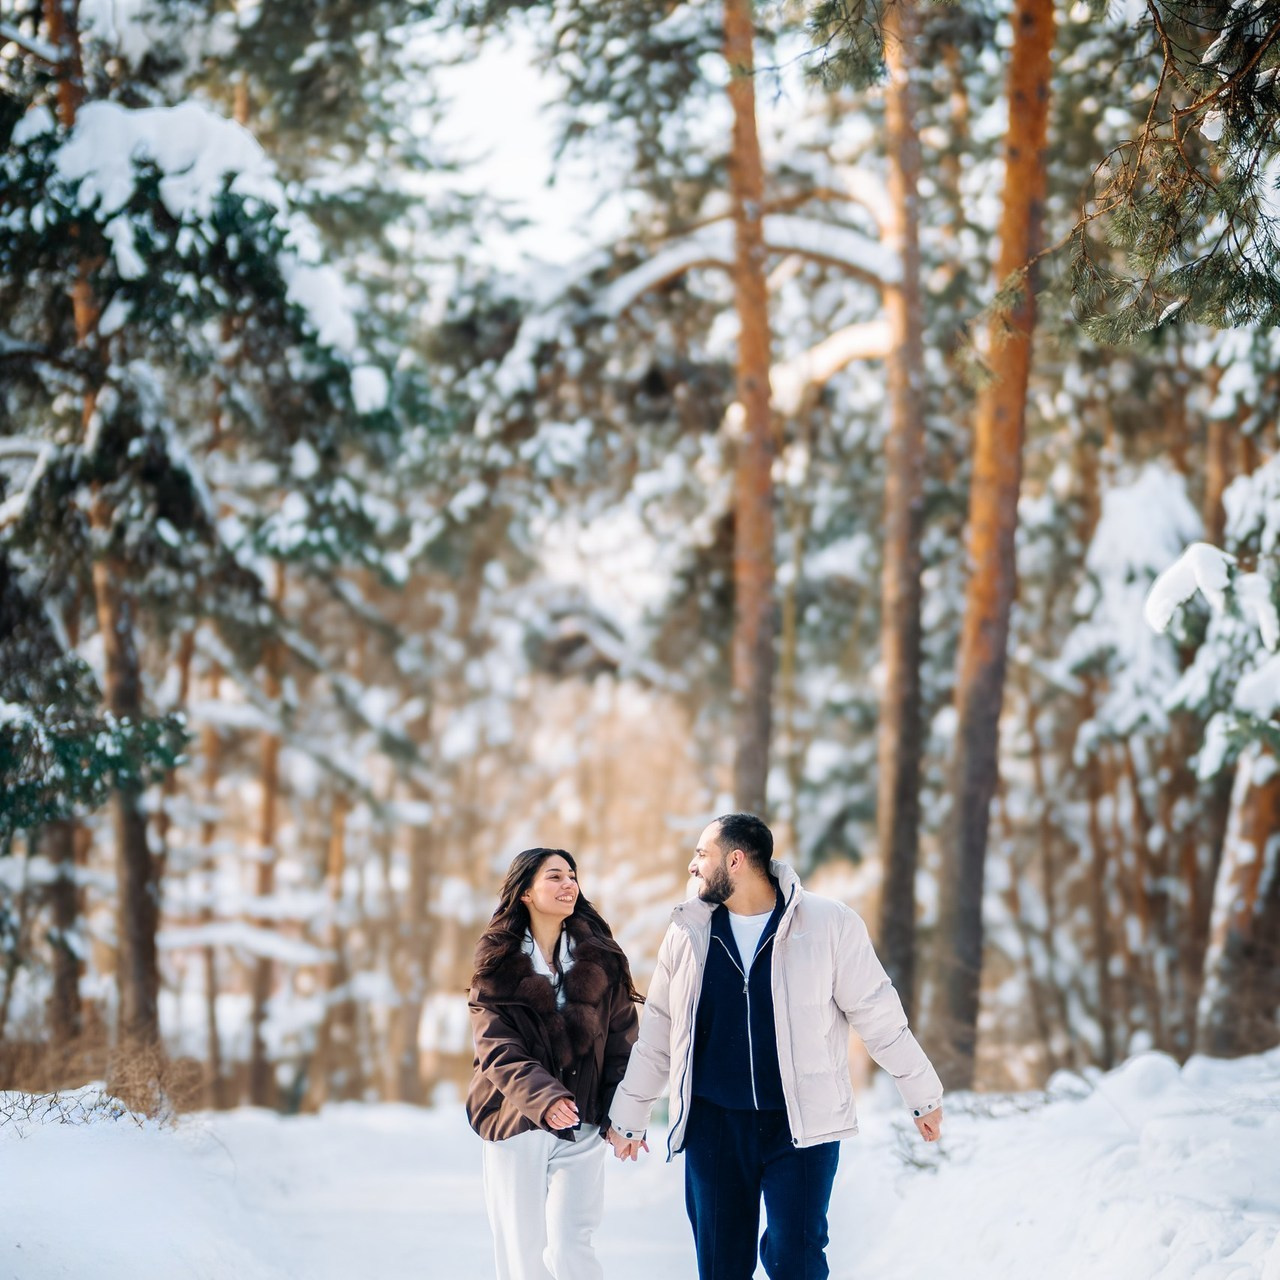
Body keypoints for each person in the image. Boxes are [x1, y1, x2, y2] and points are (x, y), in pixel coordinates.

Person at [606, 813, 943, 1280]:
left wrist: (922, 1093)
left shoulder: (828, 924)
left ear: (737, 860)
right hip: (715, 1128)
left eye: (702, 854)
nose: (692, 865)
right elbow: (659, 1033)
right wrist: (629, 1115)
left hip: (800, 1125)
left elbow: (878, 1015)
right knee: (722, 1266)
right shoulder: (688, 931)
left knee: (797, 1260)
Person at [467, 847, 642, 1280]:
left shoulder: (601, 956)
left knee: (570, 1247)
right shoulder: (497, 960)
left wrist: (625, 1117)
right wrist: (543, 1098)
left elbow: (623, 1041)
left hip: (581, 1123)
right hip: (514, 1119)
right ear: (525, 892)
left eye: (572, 876)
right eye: (554, 877)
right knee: (522, 1254)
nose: (569, 885)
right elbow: (495, 1044)